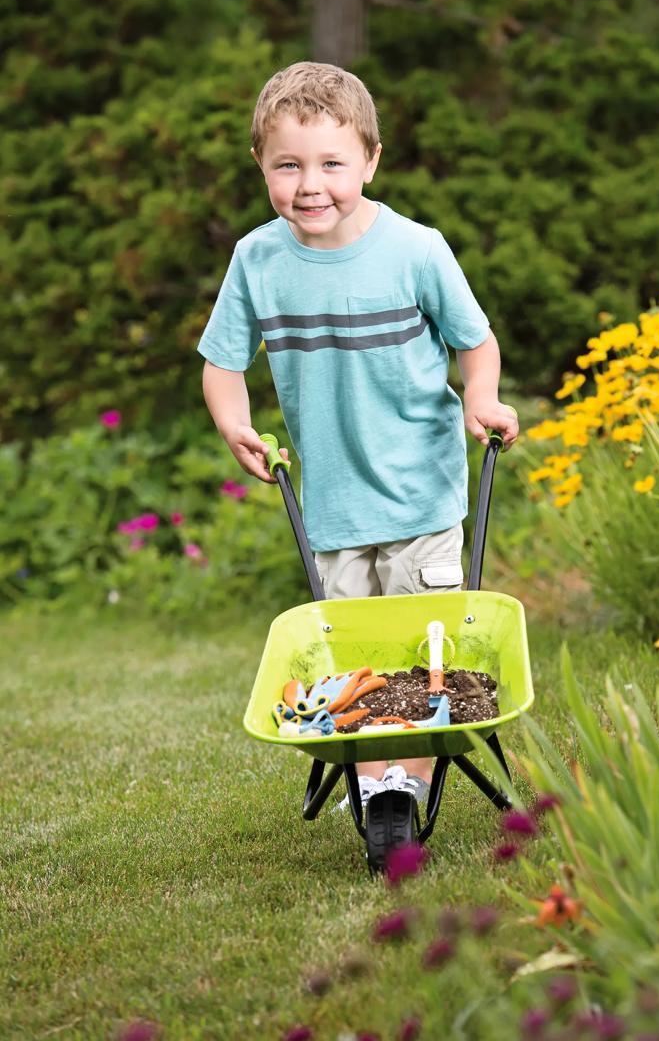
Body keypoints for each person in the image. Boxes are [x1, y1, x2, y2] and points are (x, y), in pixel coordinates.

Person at [198, 61, 518, 810]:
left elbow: (475, 342)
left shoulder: (415, 249)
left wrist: (482, 396)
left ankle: (397, 781)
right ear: (261, 166)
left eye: (332, 164)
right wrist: (234, 424)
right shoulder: (258, 259)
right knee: (357, 657)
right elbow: (221, 363)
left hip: (420, 491)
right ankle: (376, 776)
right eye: (288, 165)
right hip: (334, 506)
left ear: (371, 161)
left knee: (419, 650)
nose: (311, 186)